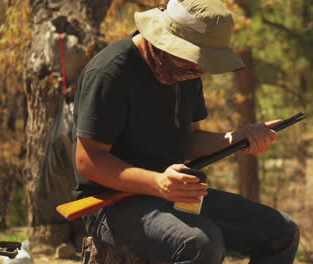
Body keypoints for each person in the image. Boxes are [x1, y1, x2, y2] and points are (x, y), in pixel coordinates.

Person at [72, 0, 299, 263]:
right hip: (111, 202)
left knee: (281, 231)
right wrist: (157, 183)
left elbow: (189, 140)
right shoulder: (110, 73)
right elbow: (88, 161)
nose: (195, 72)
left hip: (173, 193)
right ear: (161, 39)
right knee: (199, 243)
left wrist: (236, 138)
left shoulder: (188, 72)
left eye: (201, 66)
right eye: (189, 64)